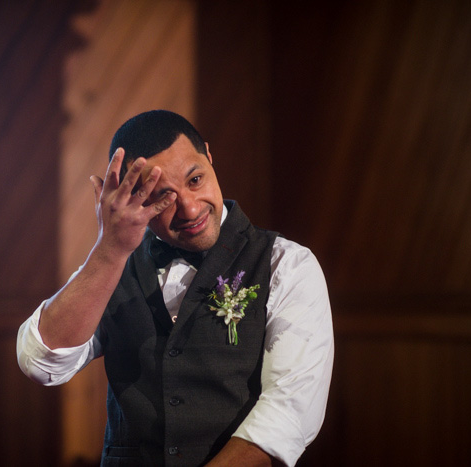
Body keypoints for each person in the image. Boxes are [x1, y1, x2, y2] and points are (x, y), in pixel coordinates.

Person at [17, 110, 334, 466]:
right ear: (135, 197)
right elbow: (42, 362)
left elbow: (289, 412)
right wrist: (109, 250)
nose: (190, 207)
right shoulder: (113, 264)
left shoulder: (285, 264)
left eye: (196, 179)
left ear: (210, 158)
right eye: (163, 197)